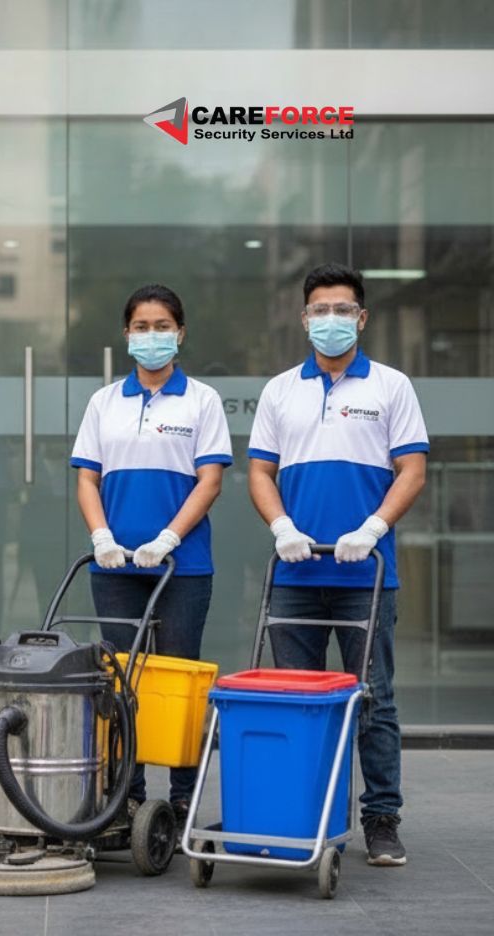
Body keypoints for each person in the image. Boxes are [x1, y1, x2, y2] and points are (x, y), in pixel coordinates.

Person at [248, 262, 427, 867]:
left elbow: (412, 471)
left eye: (342, 311)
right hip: (297, 574)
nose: (331, 321)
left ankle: (381, 819)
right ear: (304, 319)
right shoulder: (280, 390)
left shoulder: (391, 387)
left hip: (365, 577)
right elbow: (260, 472)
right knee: (300, 702)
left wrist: (374, 527)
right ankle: (310, 815)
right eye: (320, 311)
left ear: (362, 318)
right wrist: (281, 527)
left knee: (373, 700)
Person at [70, 284, 232, 830]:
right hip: (115, 567)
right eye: (141, 326)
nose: (151, 335)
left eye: (162, 326)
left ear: (180, 334)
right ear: (126, 335)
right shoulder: (103, 402)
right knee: (119, 679)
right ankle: (128, 792)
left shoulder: (202, 400)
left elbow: (209, 482)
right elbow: (88, 478)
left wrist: (168, 538)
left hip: (179, 568)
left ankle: (182, 795)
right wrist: (101, 538)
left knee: (179, 678)